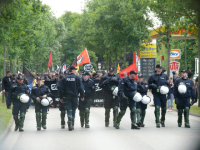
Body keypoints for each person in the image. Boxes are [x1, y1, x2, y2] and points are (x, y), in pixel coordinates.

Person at [59, 66, 84, 131]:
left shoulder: (64, 78)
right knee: (73, 109)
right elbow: (81, 88)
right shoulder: (77, 78)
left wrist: (61, 97)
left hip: (67, 96)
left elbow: (61, 89)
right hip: (75, 96)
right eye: (75, 70)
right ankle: (72, 123)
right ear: (72, 70)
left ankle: (70, 122)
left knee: (69, 109)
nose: (75, 71)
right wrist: (82, 95)